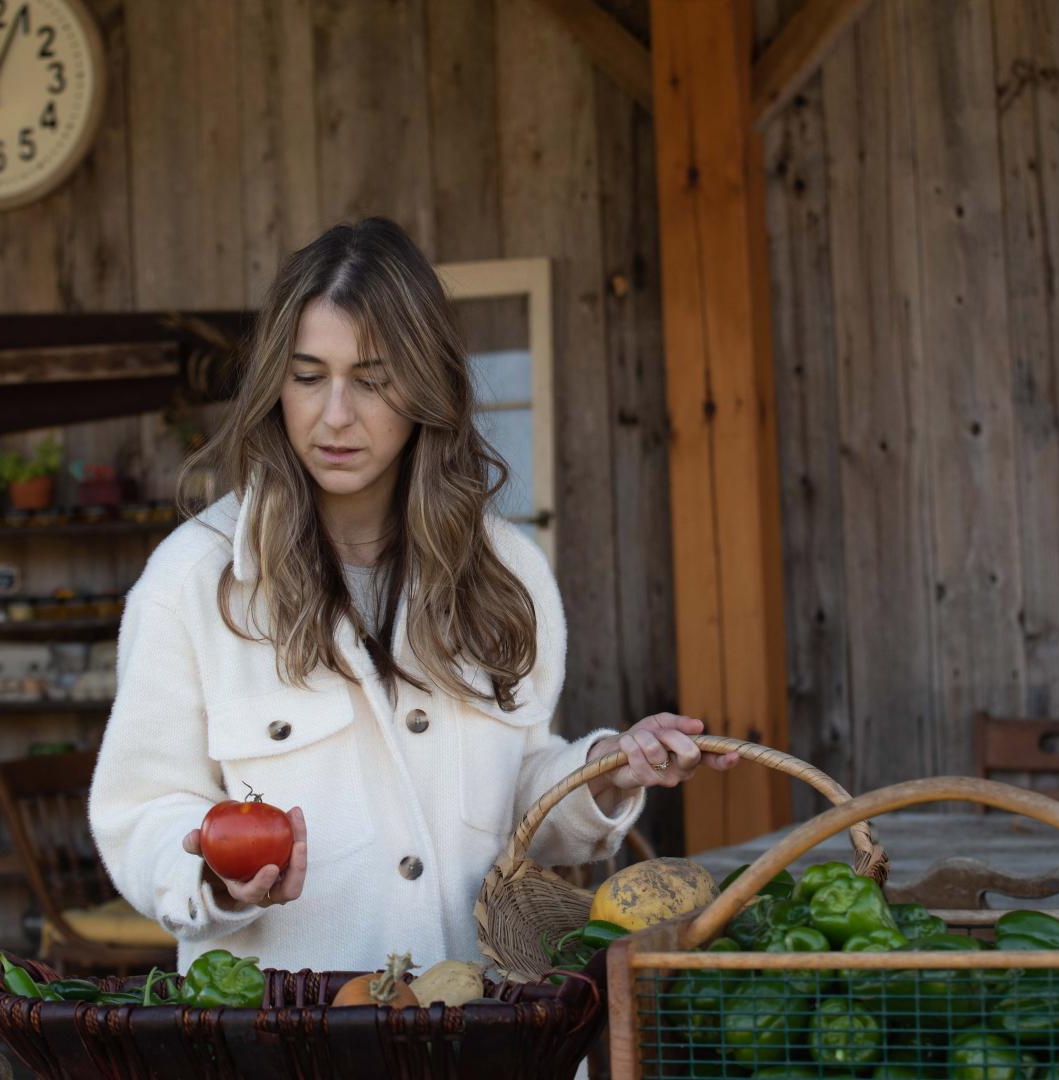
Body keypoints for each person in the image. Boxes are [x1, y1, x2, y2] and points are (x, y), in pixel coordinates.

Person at [88, 217, 740, 975]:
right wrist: (215, 878)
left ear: (427, 384)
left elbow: (519, 799)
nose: (335, 415)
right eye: (307, 377)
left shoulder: (507, 574)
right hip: (289, 1043)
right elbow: (139, 810)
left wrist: (609, 766)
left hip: (483, 1029)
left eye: (372, 380)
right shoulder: (195, 580)